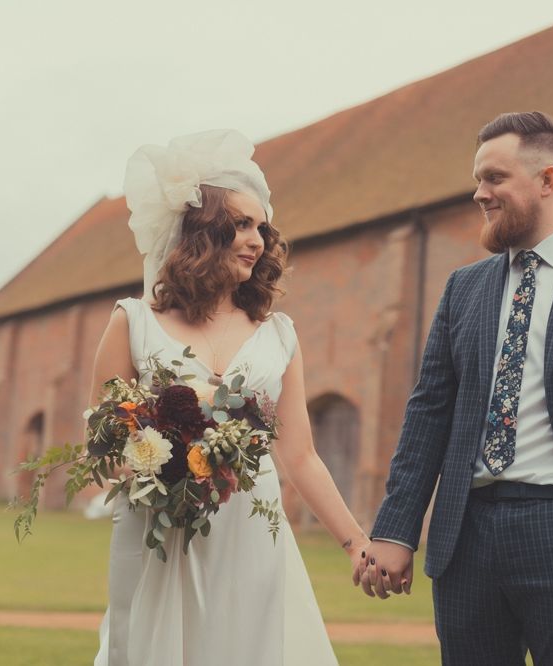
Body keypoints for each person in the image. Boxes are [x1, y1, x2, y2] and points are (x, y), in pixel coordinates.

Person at [358, 111, 553, 665]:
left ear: (548, 180)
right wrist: (396, 529)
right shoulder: (465, 287)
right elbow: (429, 411)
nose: (479, 193)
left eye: (495, 178)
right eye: (478, 178)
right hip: (466, 536)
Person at [90, 129, 369, 666]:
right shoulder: (132, 323)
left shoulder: (279, 335)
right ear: (201, 230)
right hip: (160, 533)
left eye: (262, 227)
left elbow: (300, 455)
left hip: (251, 528)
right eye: (241, 224)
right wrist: (159, 472)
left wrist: (355, 541)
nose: (257, 240)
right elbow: (101, 444)